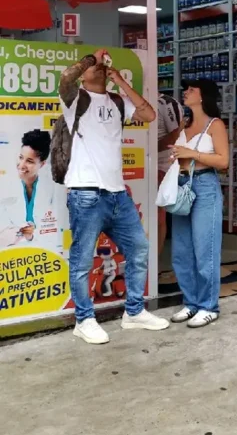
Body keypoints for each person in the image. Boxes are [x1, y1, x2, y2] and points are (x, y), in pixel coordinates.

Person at [59, 48, 169, 344]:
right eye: (91, 66)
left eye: (100, 65)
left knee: (139, 248)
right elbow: (66, 78)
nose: (97, 68)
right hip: (86, 193)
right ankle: (84, 319)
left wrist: (120, 81)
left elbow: (149, 115)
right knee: (82, 261)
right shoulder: (75, 98)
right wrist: (91, 59)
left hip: (118, 194)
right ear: (84, 73)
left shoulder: (118, 101)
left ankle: (134, 312)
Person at [169, 78, 229, 328]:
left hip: (205, 186)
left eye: (191, 90)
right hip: (182, 184)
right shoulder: (184, 123)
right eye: (186, 89)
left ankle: (208, 306)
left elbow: (223, 161)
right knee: (181, 250)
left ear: (203, 96)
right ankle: (191, 302)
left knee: (206, 249)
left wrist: (192, 154)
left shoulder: (215, 125)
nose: (186, 92)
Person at [157, 92, 184, 257]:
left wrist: (149, 148)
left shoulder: (166, 103)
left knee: (157, 215)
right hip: (141, 164)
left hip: (162, 165)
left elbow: (177, 135)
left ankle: (155, 261)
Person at [16, 129, 52, 242]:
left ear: (42, 164)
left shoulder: (51, 190)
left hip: (42, 249)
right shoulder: (6, 186)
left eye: (29, 161)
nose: (21, 165)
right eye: (21, 157)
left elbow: (54, 229)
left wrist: (32, 235)